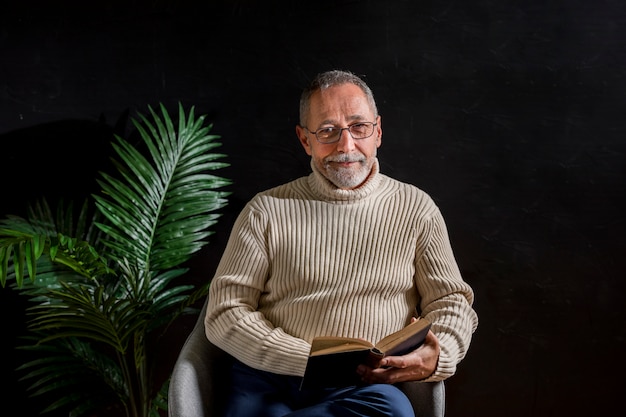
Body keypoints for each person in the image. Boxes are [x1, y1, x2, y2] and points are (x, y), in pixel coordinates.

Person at [204, 69, 478, 417]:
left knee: (394, 412)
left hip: (363, 386)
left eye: (359, 127)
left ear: (378, 131)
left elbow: (450, 300)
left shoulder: (416, 208)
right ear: (305, 140)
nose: (346, 146)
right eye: (328, 131)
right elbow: (225, 312)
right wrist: (305, 359)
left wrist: (440, 353)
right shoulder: (265, 211)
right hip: (268, 379)